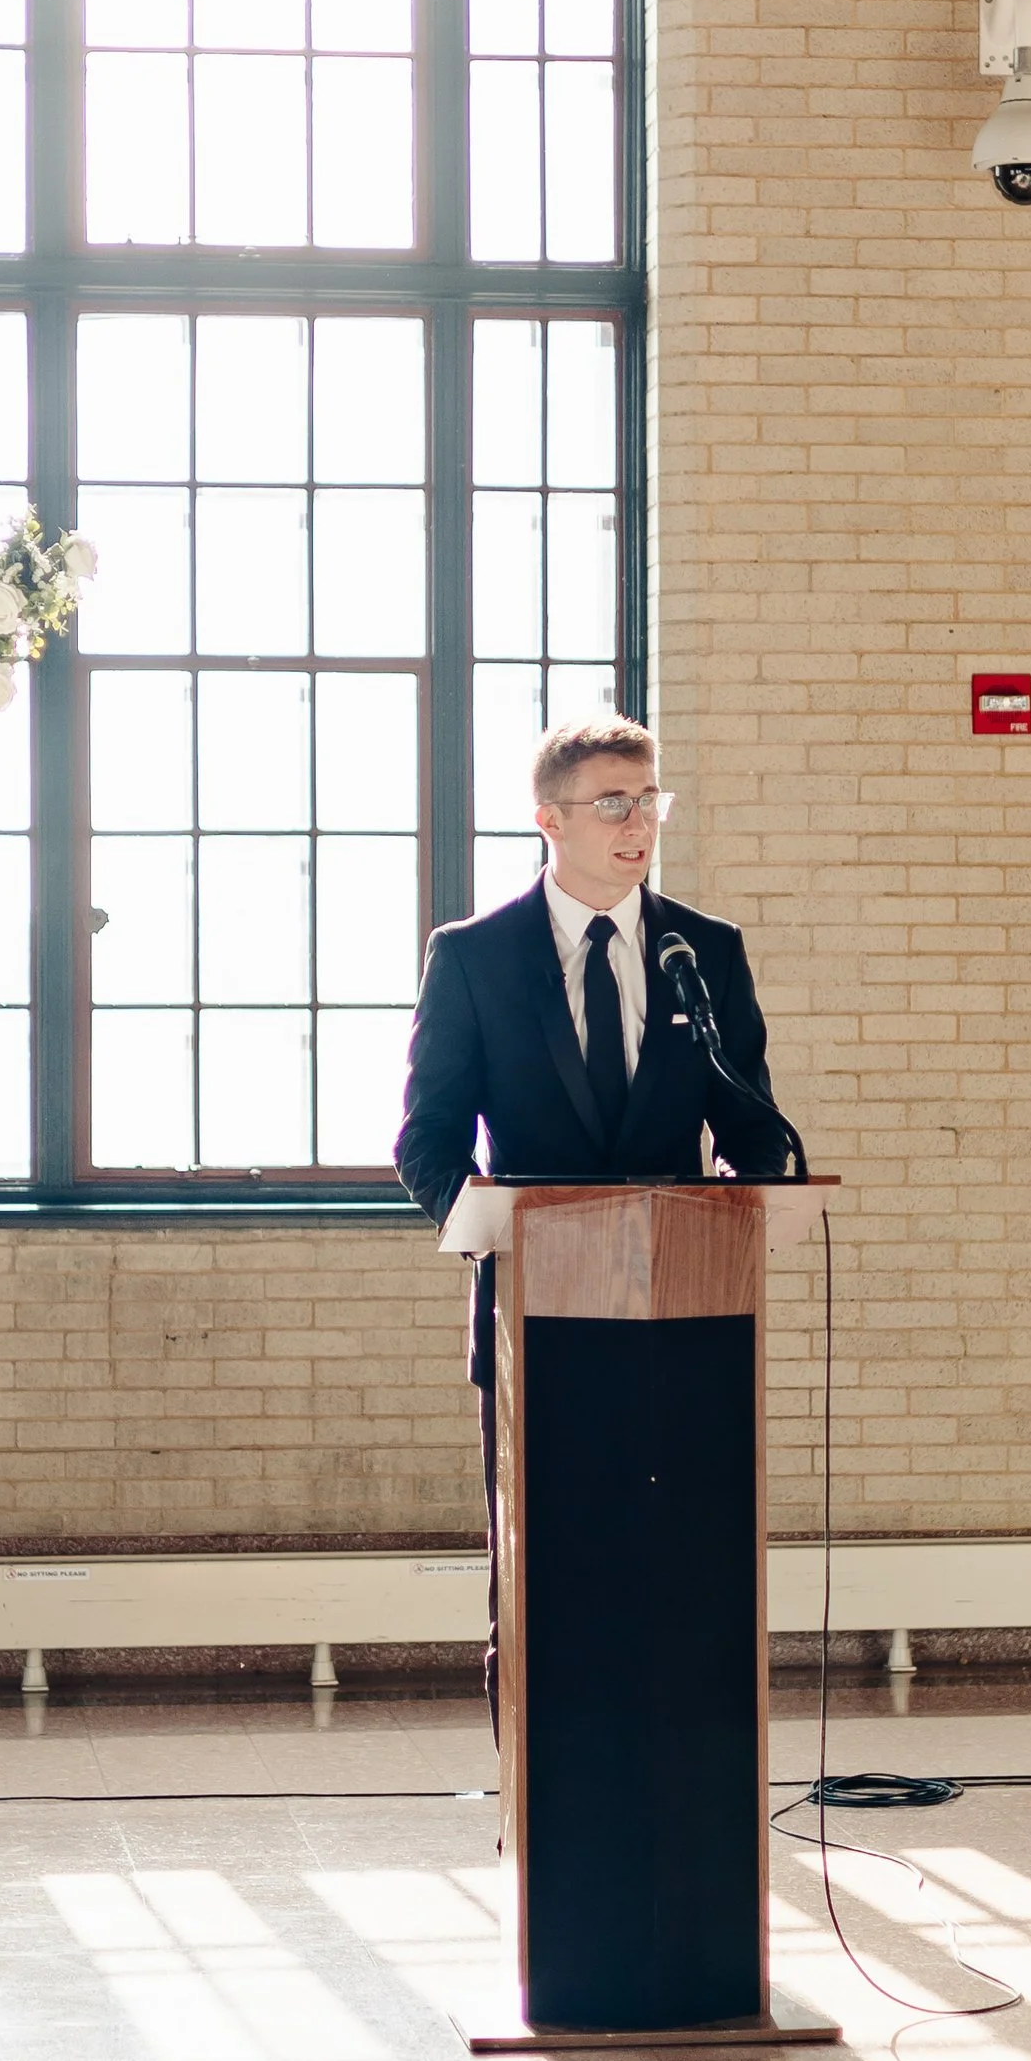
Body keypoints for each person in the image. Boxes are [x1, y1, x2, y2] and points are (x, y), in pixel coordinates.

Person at [394, 719, 797, 1722]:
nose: (638, 823)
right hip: (538, 1319)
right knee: (547, 1580)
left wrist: (764, 1190)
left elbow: (752, 1126)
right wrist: (492, 1231)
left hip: (689, 1318)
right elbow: (428, 1141)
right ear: (548, 820)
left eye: (650, 799)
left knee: (679, 1579)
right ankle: (539, 1811)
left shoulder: (702, 952)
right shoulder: (475, 958)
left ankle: (682, 1784)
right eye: (612, 803)